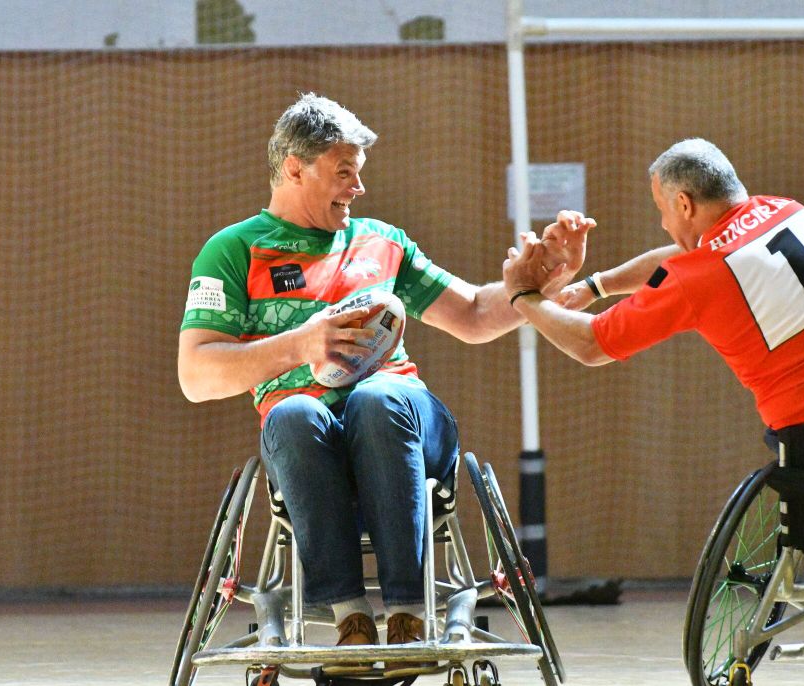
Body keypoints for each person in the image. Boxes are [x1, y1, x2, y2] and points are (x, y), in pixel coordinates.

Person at [178, 92, 592, 668]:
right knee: (294, 413)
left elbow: (473, 314)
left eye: (359, 172)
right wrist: (301, 343)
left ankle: (408, 612)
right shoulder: (233, 251)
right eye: (343, 171)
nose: (357, 187)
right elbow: (196, 375)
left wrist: (537, 283)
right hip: (307, 440)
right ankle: (349, 616)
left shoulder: (383, 241)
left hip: (403, 425)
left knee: (378, 398)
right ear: (294, 168)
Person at [503, 137, 804, 440]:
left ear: (684, 204)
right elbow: (703, 256)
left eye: (662, 209)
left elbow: (592, 344)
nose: (663, 224)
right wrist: (597, 286)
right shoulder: (788, 210)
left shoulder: (700, 277)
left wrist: (523, 294)